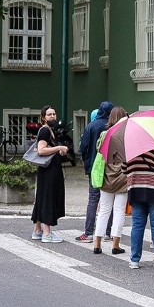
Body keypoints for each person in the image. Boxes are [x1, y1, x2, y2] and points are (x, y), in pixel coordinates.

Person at [91, 106, 129, 256]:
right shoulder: (126, 135)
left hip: (106, 176)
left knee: (104, 210)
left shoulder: (105, 134)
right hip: (122, 177)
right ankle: (115, 244)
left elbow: (100, 152)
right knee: (119, 211)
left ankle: (97, 244)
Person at [30, 105, 69, 243]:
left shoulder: (51, 130)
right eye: (49, 114)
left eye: (54, 114)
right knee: (48, 198)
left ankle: (37, 230)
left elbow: (48, 150)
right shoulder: (45, 131)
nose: (52, 116)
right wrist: (58, 147)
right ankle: (47, 233)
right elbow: (41, 150)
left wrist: (59, 152)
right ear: (43, 117)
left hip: (49, 170)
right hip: (49, 171)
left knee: (42, 198)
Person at [76, 100, 114, 243]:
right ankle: (107, 232)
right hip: (110, 169)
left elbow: (83, 147)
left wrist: (87, 163)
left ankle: (88, 232)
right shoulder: (113, 127)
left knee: (93, 200)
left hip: (94, 168)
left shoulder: (91, 126)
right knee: (108, 200)